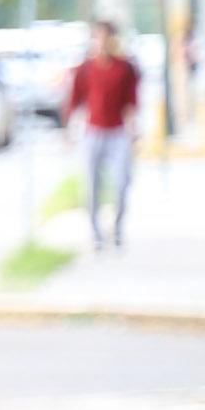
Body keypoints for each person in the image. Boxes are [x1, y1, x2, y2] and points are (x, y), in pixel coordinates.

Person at [65, 20, 141, 250]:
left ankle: (116, 229)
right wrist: (68, 129)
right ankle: (96, 234)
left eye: (107, 37)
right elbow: (74, 101)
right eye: (99, 37)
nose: (103, 42)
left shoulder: (124, 68)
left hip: (117, 132)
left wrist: (134, 128)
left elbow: (131, 102)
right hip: (93, 132)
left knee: (121, 183)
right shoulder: (85, 69)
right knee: (90, 186)